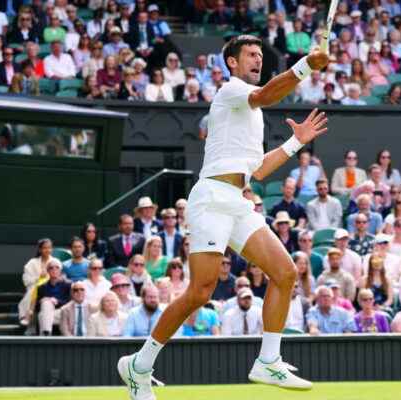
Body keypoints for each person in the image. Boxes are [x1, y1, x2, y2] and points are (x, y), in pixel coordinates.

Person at [117, 35, 330, 395]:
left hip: (238, 201)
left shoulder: (254, 115)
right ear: (232, 62)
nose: (257, 60)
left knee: (285, 271)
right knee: (200, 292)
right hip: (211, 199)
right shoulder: (230, 90)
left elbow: (259, 170)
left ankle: (268, 361)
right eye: (250, 54)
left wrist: (296, 142)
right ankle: (139, 364)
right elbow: (265, 94)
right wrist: (306, 66)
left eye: (261, 55)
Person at [32, 260, 72, 335]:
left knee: (42, 316)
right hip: (47, 312)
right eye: (51, 268)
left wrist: (57, 301)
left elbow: (70, 302)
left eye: (57, 267)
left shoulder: (68, 285)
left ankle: (45, 336)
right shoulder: (41, 287)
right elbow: (37, 308)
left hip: (62, 312)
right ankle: (47, 332)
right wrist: (42, 301)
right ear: (48, 271)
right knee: (46, 304)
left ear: (60, 270)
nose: (54, 270)